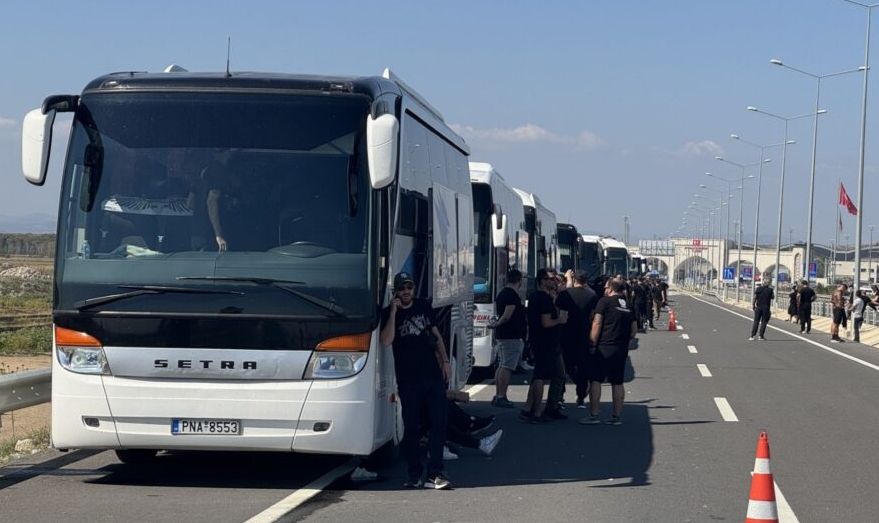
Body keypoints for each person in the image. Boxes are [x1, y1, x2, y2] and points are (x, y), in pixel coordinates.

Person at [380, 272, 451, 490]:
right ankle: (414, 474)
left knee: (438, 423)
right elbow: (386, 340)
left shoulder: (423, 306)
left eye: (409, 288)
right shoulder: (388, 314)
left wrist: (445, 360)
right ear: (396, 292)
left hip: (432, 375)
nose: (406, 292)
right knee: (411, 428)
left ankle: (435, 473)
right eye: (402, 289)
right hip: (408, 380)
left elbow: (436, 335)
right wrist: (393, 312)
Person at [580, 278, 636, 425]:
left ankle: (594, 414)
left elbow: (597, 322)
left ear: (611, 288)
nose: (604, 290)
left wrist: (592, 342)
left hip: (604, 346)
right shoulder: (629, 305)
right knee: (617, 382)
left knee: (596, 379)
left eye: (606, 287)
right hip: (621, 349)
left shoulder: (604, 302)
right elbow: (633, 330)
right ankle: (616, 416)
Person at [521, 268, 567, 423]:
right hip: (546, 342)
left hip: (539, 341)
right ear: (543, 281)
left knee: (540, 375)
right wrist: (560, 320)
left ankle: (530, 408)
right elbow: (546, 322)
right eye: (551, 279)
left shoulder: (535, 297)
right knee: (540, 376)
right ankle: (537, 412)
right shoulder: (543, 299)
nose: (555, 281)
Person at [555, 269, 598, 408]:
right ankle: (580, 396)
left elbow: (559, 313)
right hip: (583, 334)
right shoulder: (592, 296)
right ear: (585, 281)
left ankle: (560, 396)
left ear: (574, 280)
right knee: (582, 366)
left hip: (565, 333)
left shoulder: (565, 294)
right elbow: (593, 316)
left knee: (563, 366)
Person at [489, 269, 526, 408]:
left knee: (502, 365)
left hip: (504, 335)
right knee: (507, 366)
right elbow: (506, 316)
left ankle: (498, 394)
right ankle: (501, 396)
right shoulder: (511, 295)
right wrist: (496, 324)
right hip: (511, 335)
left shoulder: (502, 293)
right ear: (519, 281)